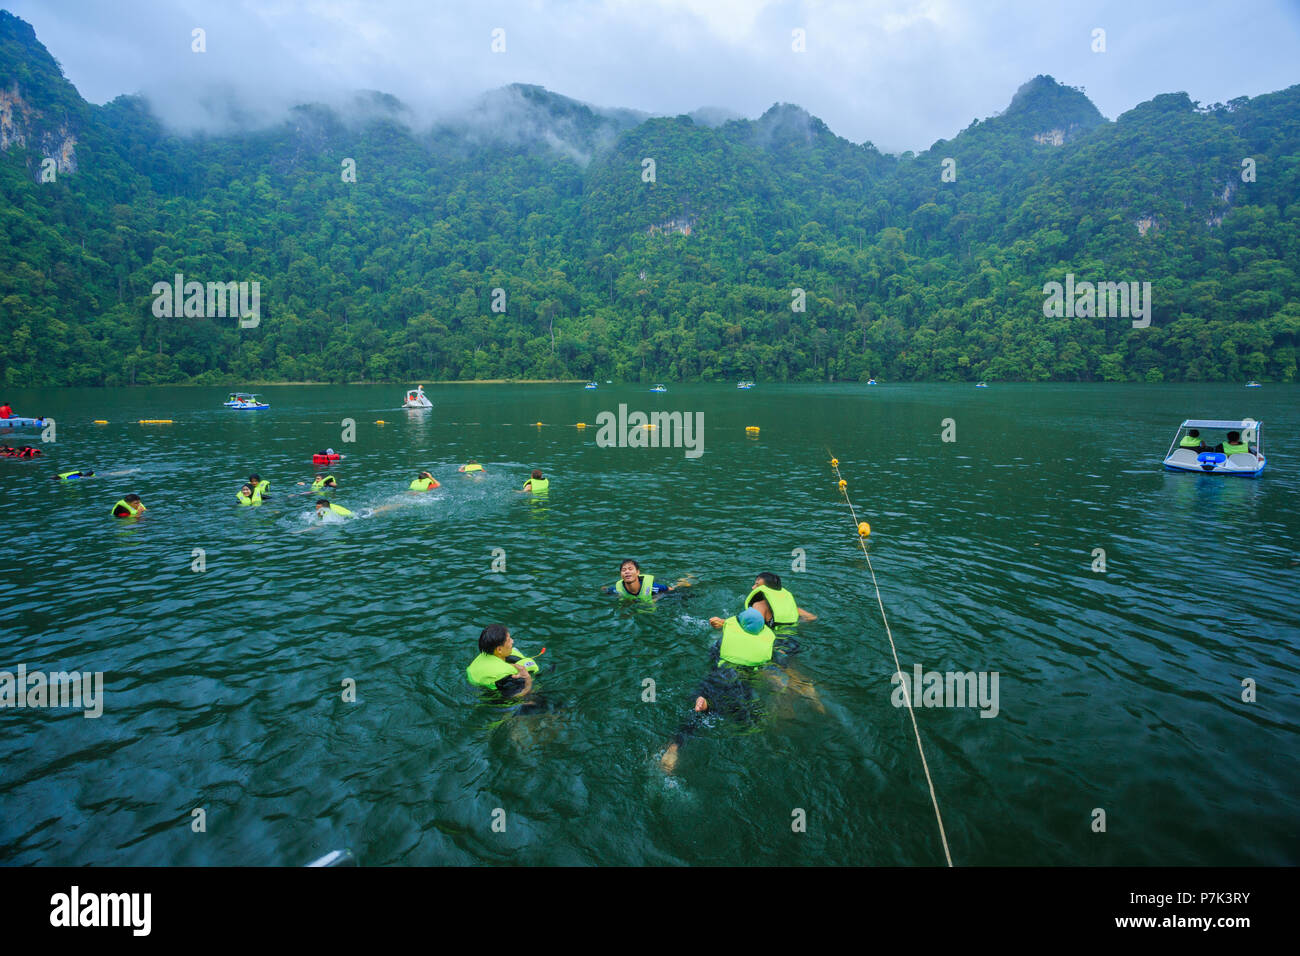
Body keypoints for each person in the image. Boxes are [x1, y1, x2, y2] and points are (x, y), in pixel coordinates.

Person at [660, 608, 810, 773]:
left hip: (717, 678)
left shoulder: (724, 641)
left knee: (697, 715)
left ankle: (675, 746)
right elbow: (781, 662)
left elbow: (712, 656)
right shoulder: (767, 647)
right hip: (742, 686)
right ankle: (768, 748)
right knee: (748, 720)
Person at [466, 624, 539, 700]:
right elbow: (516, 696)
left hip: (476, 689)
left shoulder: (483, 657)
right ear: (499, 650)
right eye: (509, 640)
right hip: (500, 705)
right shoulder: (504, 677)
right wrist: (527, 678)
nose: (512, 641)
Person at [738, 572, 816, 629]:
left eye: (757, 584)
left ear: (766, 589)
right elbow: (812, 617)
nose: (753, 587)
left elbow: (754, 627)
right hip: (792, 641)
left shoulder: (759, 606)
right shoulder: (791, 608)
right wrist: (791, 625)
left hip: (775, 643)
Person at [605, 559, 677, 602]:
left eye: (630, 569)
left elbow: (671, 590)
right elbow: (605, 589)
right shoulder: (617, 590)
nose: (627, 572)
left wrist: (657, 598)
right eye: (624, 570)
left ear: (637, 572)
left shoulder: (652, 587)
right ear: (621, 575)